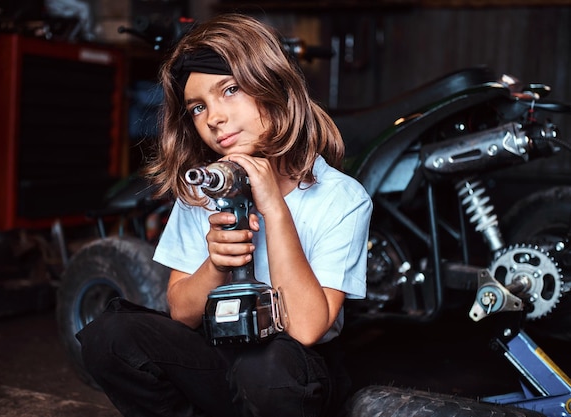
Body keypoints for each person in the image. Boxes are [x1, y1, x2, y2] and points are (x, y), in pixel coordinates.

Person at [77, 13, 372, 417]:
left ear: (272, 87)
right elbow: (182, 311)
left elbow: (306, 328)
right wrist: (216, 263)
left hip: (295, 374)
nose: (214, 118)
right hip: (221, 354)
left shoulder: (342, 197)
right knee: (110, 336)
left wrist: (274, 208)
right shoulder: (205, 190)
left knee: (265, 368)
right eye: (198, 107)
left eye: (230, 89)